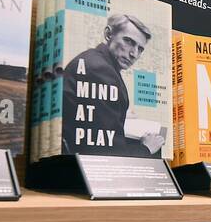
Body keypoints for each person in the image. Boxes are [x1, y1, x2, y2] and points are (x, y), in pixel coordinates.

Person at [61, 13, 166, 157]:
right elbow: (110, 154)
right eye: (128, 41)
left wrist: (115, 111)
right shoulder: (100, 70)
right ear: (108, 34)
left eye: (140, 49)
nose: (134, 54)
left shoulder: (95, 60)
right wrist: (146, 148)